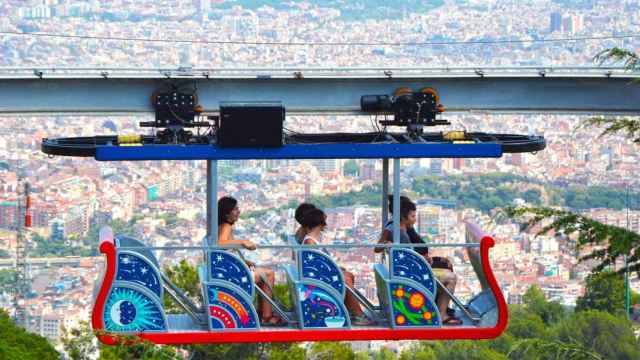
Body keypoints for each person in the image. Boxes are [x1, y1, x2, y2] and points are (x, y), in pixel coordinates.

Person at [376, 196, 461, 325]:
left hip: (407, 271)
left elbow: (385, 249)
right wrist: (424, 260)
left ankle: (441, 308)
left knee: (445, 265)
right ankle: (442, 314)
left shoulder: (394, 228)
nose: (415, 220)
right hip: (412, 276)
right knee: (451, 278)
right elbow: (408, 257)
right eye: (412, 217)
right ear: (403, 217)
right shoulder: (401, 234)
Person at [299, 207, 373, 326]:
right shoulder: (310, 242)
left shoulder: (312, 240)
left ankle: (348, 310)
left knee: (348, 275)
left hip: (321, 276)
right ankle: (358, 314)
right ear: (320, 224)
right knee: (346, 279)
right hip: (318, 279)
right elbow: (317, 266)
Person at [217, 196, 283, 325]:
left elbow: (229, 251)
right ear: (227, 213)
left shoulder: (222, 226)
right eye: (235, 209)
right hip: (232, 276)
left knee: (263, 273)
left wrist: (245, 262)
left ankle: (262, 312)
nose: (238, 212)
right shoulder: (226, 226)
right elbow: (221, 243)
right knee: (269, 274)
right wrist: (242, 242)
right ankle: (267, 317)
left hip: (228, 271)